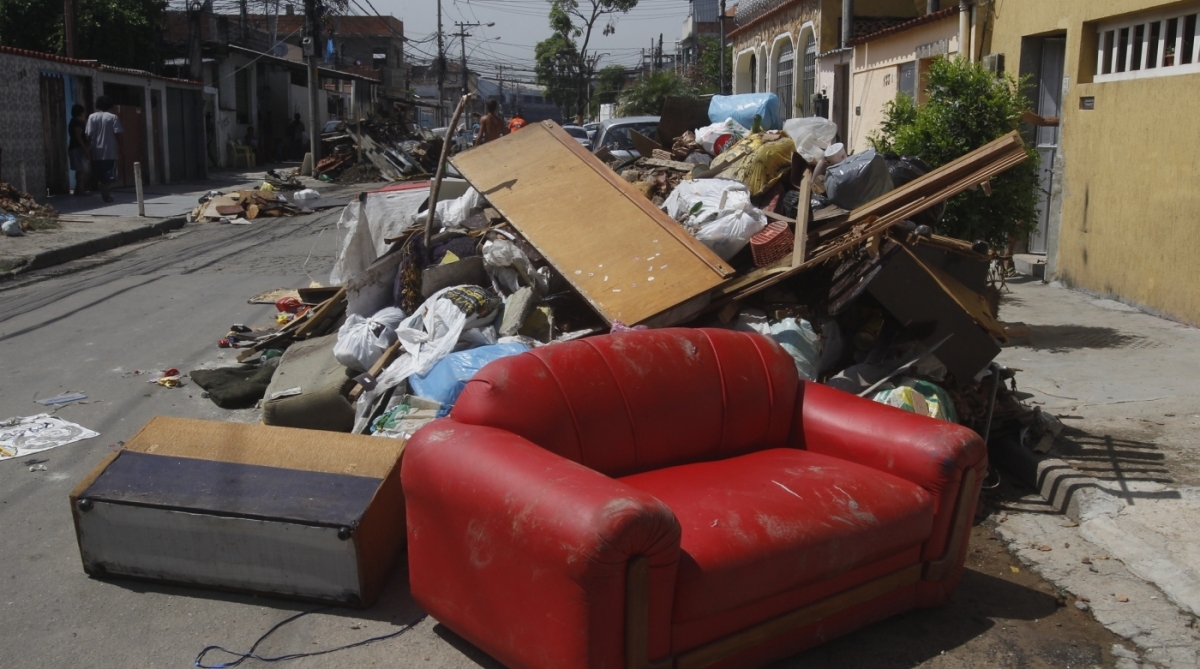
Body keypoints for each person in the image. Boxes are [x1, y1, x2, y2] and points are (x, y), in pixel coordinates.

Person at [85, 95, 123, 203]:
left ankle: (103, 186)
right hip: (109, 150)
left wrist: (87, 148)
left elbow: (89, 135)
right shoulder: (113, 117)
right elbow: (118, 133)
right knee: (111, 174)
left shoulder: (92, 117)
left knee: (99, 173)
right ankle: (105, 187)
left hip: (96, 149)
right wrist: (121, 146)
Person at [67, 104, 90, 196]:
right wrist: (85, 149)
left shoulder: (75, 121)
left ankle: (78, 189)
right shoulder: (77, 122)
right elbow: (78, 136)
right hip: (77, 148)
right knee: (81, 170)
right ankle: (81, 190)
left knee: (80, 169)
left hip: (75, 147)